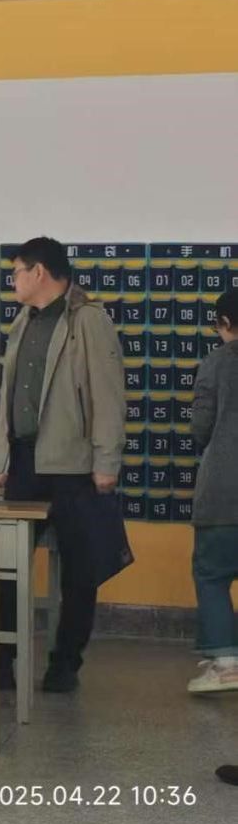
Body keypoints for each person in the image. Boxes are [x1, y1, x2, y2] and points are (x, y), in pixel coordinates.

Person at [0, 236, 128, 693]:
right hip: (25, 461)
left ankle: (65, 663)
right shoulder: (23, 321)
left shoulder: (88, 320)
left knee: (79, 571)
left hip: (74, 465)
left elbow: (108, 395)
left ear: (39, 272)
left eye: (17, 272)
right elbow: (13, 397)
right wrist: (7, 458)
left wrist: (106, 461)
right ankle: (1, 660)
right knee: (7, 567)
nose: (13, 281)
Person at [187, 288, 238, 694]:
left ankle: (226, 664)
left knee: (212, 574)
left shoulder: (215, 363)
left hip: (224, 492)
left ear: (224, 323)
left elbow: (200, 429)